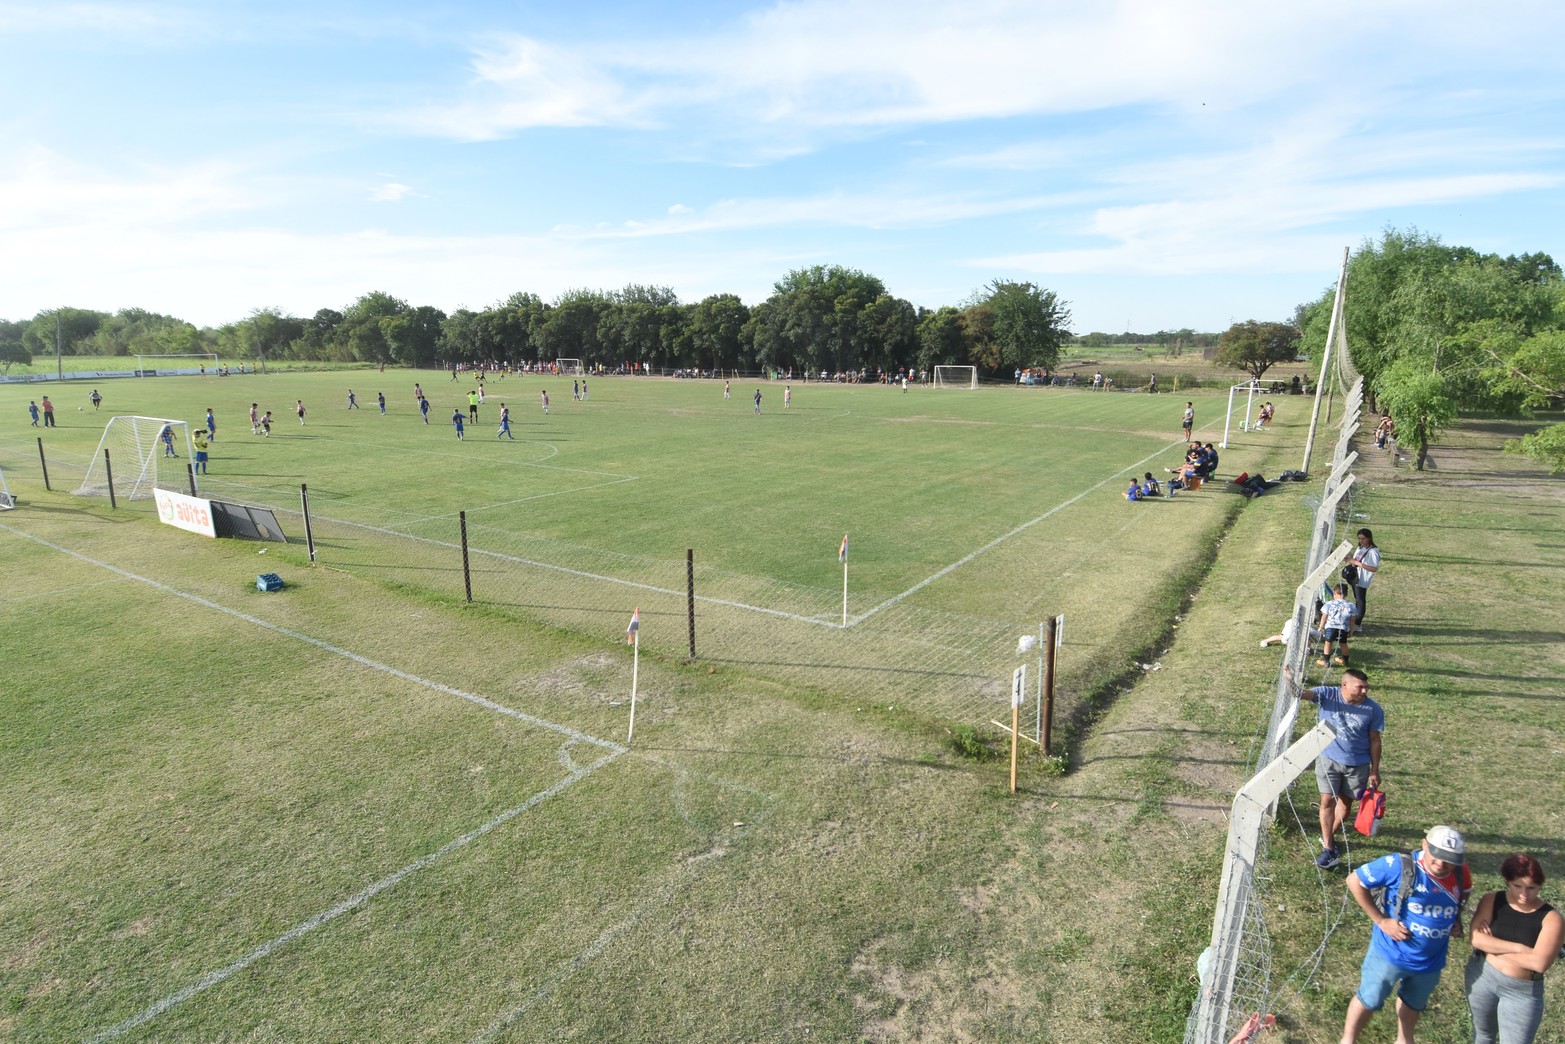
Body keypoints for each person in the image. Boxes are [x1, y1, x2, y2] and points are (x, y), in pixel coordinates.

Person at [1342, 826, 1472, 1043]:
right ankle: (1348, 1039)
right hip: (1390, 955)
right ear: (1424, 845)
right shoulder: (1399, 866)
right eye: (1437, 855)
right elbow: (1354, 881)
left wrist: (1455, 919)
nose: (1442, 863)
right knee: (1369, 999)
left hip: (1430, 962)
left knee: (1414, 1004)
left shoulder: (1460, 872)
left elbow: (1462, 896)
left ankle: (1404, 1040)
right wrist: (1381, 921)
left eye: (1449, 859)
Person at [1290, 666, 1382, 869]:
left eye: (1366, 687)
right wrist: (1289, 679)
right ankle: (1329, 848)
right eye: (1360, 687)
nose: (1365, 691)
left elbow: (1375, 740)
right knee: (1327, 801)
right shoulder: (1328, 694)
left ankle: (1328, 836)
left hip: (1357, 765)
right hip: (1328, 760)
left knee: (1346, 806)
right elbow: (1299, 694)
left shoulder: (1374, 710)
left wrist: (1374, 770)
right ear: (1344, 685)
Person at [1466, 853, 1563, 1044]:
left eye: (1531, 888)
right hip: (1482, 976)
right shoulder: (1492, 900)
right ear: (1507, 881)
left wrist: (1491, 945)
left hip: (1522, 991)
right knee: (1482, 1035)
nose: (1524, 894)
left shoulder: (1552, 919)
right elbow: (1476, 939)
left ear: (1540, 886)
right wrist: (1520, 948)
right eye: (1517, 886)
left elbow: (1539, 963)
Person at [1347, 528, 1381, 632]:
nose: (1361, 540)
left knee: (1360, 601)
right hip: (1355, 577)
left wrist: (1358, 564)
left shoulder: (1373, 551)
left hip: (1362, 579)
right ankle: (1355, 621)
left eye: (1363, 538)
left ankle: (1357, 624)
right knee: (1357, 599)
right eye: (1359, 538)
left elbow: (1374, 568)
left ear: (1369, 538)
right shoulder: (1360, 548)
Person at [1316, 584, 1356, 667]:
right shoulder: (1351, 605)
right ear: (1346, 594)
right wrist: (1351, 630)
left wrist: (1321, 627)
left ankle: (1326, 662)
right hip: (1343, 628)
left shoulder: (1329, 604)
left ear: (1335, 593)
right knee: (1343, 644)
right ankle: (1345, 660)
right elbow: (1352, 620)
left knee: (1328, 643)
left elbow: (1324, 616)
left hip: (1330, 627)